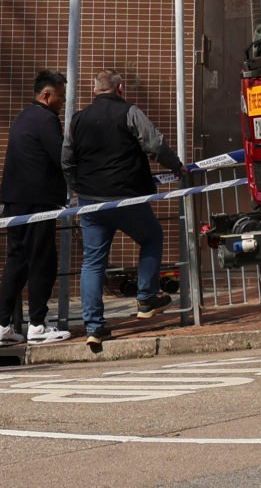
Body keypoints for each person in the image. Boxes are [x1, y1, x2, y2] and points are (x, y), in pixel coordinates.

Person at [69, 66, 182, 344]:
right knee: (152, 236)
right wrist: (176, 165)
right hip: (127, 196)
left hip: (91, 203)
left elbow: (66, 160)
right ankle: (146, 299)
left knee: (93, 262)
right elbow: (154, 144)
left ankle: (94, 326)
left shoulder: (77, 120)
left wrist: (78, 188)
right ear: (120, 89)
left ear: (94, 91)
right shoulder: (129, 112)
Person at [0, 68, 68, 346]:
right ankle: (37, 324)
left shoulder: (22, 117)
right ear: (46, 95)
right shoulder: (46, 119)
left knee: (17, 261)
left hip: (15, 199)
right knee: (42, 262)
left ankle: (2, 325)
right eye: (60, 97)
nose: (63, 103)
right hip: (38, 201)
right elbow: (61, 155)